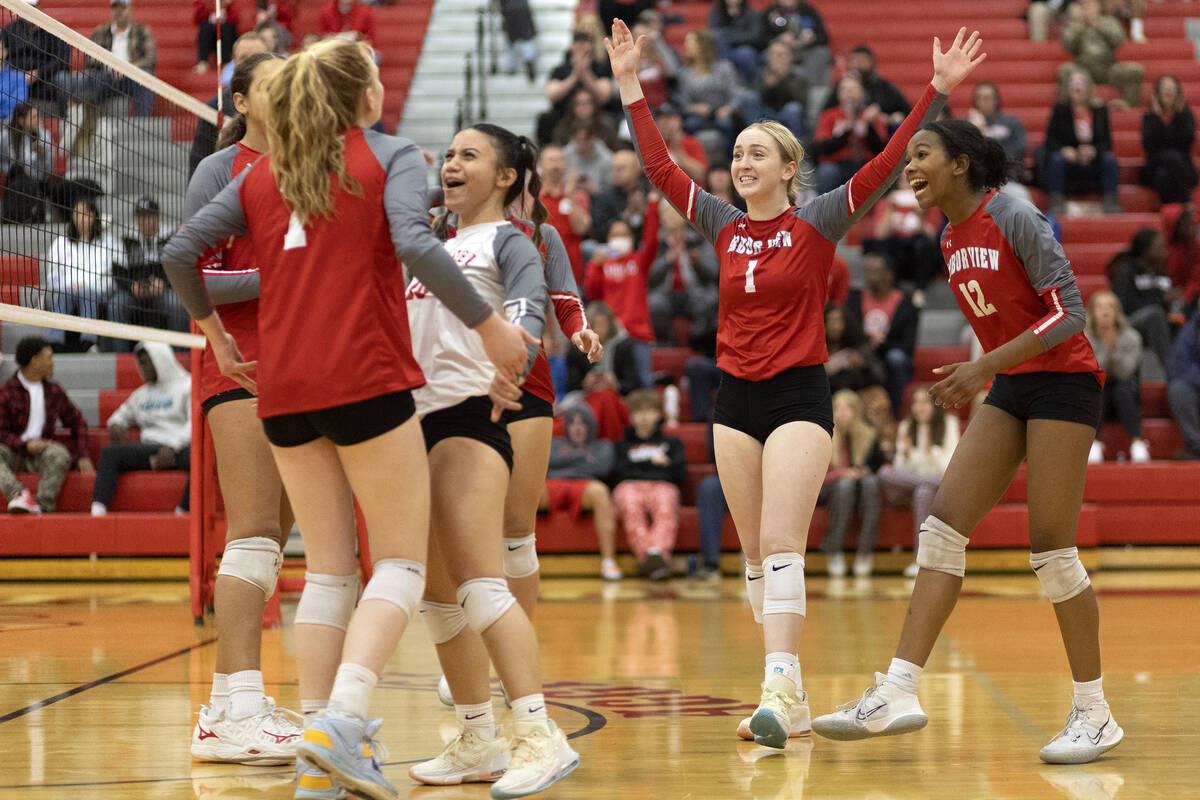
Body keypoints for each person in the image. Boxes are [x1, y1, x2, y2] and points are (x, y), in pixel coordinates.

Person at [162, 39, 533, 800]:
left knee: (326, 571)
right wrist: (490, 325)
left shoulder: (261, 171)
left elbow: (177, 253)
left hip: (282, 390)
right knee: (396, 563)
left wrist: (217, 335)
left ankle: (315, 750)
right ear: (363, 96)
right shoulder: (386, 155)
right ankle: (344, 721)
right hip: (362, 375)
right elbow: (412, 242)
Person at [608, 17, 983, 748]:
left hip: (798, 399)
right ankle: (794, 696)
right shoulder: (720, 223)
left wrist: (934, 95)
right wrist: (631, 88)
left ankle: (778, 687)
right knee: (755, 563)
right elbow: (660, 170)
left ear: (787, 167)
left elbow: (883, 164)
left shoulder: (816, 222)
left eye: (758, 153)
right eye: (738, 153)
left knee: (782, 542)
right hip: (733, 400)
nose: (742, 161)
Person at [812, 118, 1123, 766]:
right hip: (1012, 382)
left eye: (922, 154)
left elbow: (1068, 310)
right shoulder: (949, 236)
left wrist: (981, 366)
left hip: (1066, 381)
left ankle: (1095, 712)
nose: (911, 167)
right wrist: (987, 372)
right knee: (941, 527)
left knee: (1053, 551)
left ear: (960, 163)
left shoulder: (1011, 214)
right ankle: (898, 688)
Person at [406, 123, 580, 797]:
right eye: (448, 155)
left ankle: (538, 732)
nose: (452, 163)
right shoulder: (433, 245)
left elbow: (530, 305)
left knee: (482, 580)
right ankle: (477, 738)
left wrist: (521, 352)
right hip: (414, 423)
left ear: (506, 177)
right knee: (437, 595)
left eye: (469, 156)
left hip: (470, 418)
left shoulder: (511, 238)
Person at [180, 52, 308, 769]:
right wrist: (277, 278)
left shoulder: (308, 166)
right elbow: (191, 271)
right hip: (236, 359)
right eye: (272, 82)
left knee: (275, 540)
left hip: (298, 366)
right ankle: (241, 705)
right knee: (254, 533)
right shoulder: (219, 169)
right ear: (242, 100)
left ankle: (227, 709)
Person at [91, 342, 191, 517]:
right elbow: (119, 416)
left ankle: (183, 510)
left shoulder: (187, 386)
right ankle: (98, 509)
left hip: (179, 447)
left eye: (146, 362)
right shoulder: (141, 394)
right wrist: (116, 425)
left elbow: (194, 423)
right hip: (149, 448)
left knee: (201, 458)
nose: (142, 368)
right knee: (110, 453)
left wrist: (172, 446)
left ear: (160, 360)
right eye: (140, 363)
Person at [0, 337, 92, 514]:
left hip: (42, 453)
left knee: (60, 454)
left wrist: (83, 455)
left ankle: (42, 506)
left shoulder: (54, 391)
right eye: (49, 357)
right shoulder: (6, 391)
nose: (53, 363)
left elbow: (77, 421)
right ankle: (18, 495)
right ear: (34, 361)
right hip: (14, 451)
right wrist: (25, 445)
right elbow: (1, 433)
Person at [879, 387, 959, 577]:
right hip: (915, 487)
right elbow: (900, 467)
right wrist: (907, 454)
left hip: (942, 486)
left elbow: (949, 466)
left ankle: (919, 560)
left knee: (923, 491)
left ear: (935, 405)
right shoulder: (907, 425)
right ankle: (920, 559)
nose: (919, 407)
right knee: (886, 473)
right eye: (915, 402)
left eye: (924, 402)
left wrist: (931, 449)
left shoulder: (949, 423)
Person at [584, 195, 660, 390]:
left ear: (631, 238)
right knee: (615, 386)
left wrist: (652, 205)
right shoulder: (602, 264)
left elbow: (651, 240)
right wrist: (594, 266)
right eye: (615, 235)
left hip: (638, 335)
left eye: (624, 234)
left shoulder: (638, 261)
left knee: (644, 383)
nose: (620, 239)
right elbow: (592, 294)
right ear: (608, 239)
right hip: (611, 337)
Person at [611, 389, 687, 581]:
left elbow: (679, 472)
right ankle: (653, 558)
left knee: (665, 503)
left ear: (658, 414)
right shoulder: (621, 445)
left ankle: (654, 554)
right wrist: (656, 463)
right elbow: (618, 472)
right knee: (629, 503)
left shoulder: (672, 443)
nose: (644, 417)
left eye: (649, 411)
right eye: (638, 412)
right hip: (629, 486)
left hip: (663, 485)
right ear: (631, 416)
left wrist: (639, 464)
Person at [542, 403, 620, 579]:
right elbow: (544, 462)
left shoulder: (603, 446)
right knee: (523, 491)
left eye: (583, 423)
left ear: (591, 426)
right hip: (552, 484)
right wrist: (582, 459)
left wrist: (563, 462)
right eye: (573, 423)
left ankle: (609, 562)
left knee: (601, 492)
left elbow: (602, 467)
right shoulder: (554, 443)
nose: (577, 427)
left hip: (585, 486)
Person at [817, 389, 884, 577]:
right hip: (829, 489)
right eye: (838, 408)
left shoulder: (868, 434)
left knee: (871, 483)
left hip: (860, 489)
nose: (842, 413)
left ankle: (865, 551)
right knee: (844, 486)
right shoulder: (825, 434)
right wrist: (843, 473)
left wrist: (862, 471)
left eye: (848, 409)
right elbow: (818, 476)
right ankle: (834, 550)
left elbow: (876, 467)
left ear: (856, 411)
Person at [845, 252, 920, 416]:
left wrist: (881, 343)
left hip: (890, 355)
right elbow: (848, 333)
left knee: (896, 358)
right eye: (867, 270)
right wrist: (868, 341)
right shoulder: (854, 299)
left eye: (875, 270)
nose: (869, 275)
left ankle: (894, 414)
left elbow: (908, 345)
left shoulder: (906, 304)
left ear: (889, 274)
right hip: (864, 354)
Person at [43, 197, 120, 352]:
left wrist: (87, 286)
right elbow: (53, 275)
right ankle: (55, 342)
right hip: (67, 290)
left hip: (100, 292)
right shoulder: (60, 243)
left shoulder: (110, 242)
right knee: (64, 293)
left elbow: (115, 275)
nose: (81, 218)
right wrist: (71, 286)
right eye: (77, 213)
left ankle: (88, 342)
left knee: (87, 293)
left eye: (85, 213)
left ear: (94, 216)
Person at [188, 32, 269, 179]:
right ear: (234, 62)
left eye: (257, 57)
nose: (250, 63)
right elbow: (198, 163)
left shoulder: (283, 103)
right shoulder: (215, 106)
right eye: (243, 58)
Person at [111, 197, 190, 343]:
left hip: (164, 290)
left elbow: (179, 268)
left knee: (177, 304)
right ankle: (119, 355)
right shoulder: (126, 240)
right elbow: (117, 271)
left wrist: (164, 284)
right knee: (117, 304)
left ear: (158, 217)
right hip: (134, 293)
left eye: (148, 216)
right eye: (140, 216)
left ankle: (179, 354)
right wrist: (132, 286)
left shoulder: (170, 238)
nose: (144, 220)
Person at [1044, 67, 1120, 215]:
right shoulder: (1060, 110)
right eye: (1073, 84)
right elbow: (1050, 142)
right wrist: (1065, 150)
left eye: (1080, 84)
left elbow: (1107, 143)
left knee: (1109, 158)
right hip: (1070, 160)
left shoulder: (1100, 110)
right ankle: (1056, 202)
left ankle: (1111, 202)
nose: (1076, 88)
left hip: (1092, 160)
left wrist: (1094, 150)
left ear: (1089, 88)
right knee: (1056, 158)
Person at [1084, 290, 1149, 462]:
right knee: (1099, 388)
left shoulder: (1131, 337)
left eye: (1110, 307)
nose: (1105, 312)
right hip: (1096, 396)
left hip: (1125, 397)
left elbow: (1125, 371)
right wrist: (1106, 347)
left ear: (1117, 312)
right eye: (1100, 307)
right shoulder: (1083, 337)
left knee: (1122, 389)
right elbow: (1091, 370)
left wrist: (1113, 348)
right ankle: (1094, 443)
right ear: (1091, 311)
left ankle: (1137, 442)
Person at [862, 175, 945, 302]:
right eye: (905, 181)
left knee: (923, 245)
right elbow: (880, 235)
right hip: (896, 254)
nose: (908, 185)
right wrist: (890, 211)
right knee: (884, 246)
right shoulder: (887, 203)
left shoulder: (930, 203)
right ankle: (894, 291)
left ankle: (919, 291)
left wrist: (921, 218)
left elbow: (931, 237)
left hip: (917, 255)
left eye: (913, 182)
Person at [648, 200, 720, 345]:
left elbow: (713, 273)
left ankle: (699, 341)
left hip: (694, 290)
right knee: (653, 303)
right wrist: (667, 260)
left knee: (712, 296)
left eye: (676, 212)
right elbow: (647, 275)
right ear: (661, 216)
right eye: (668, 213)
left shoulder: (700, 239)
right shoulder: (653, 242)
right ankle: (665, 342)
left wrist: (698, 264)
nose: (673, 217)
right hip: (665, 293)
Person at [1106, 228, 1175, 371]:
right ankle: (1172, 371)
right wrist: (1161, 299)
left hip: (1155, 320)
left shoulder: (1160, 271)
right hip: (1126, 321)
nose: (1165, 252)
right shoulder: (1126, 271)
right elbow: (1122, 307)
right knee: (1154, 314)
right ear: (1146, 250)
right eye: (1159, 247)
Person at [75, 0, 157, 117]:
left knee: (146, 78)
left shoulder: (142, 31)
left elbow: (150, 59)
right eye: (115, 8)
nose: (118, 12)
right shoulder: (101, 31)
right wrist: (102, 62)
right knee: (90, 77)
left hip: (133, 77)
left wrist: (127, 69)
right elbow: (89, 58)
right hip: (107, 77)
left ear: (130, 9)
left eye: (122, 8)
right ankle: (91, 122)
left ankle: (141, 123)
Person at [1057, 0, 1142, 109]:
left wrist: (1098, 26)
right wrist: (1081, 28)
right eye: (1085, 6)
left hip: (1108, 68)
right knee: (1065, 70)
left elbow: (1118, 41)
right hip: (1083, 70)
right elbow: (1067, 46)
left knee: (1135, 70)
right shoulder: (1075, 26)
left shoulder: (1109, 22)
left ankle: (1127, 104)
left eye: (1092, 6)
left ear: (1098, 7)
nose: (1089, 9)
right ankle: (1067, 109)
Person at [811, 74, 886, 195]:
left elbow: (881, 150)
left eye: (853, 90)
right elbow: (820, 148)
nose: (848, 94)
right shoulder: (829, 115)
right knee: (827, 172)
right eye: (844, 89)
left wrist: (870, 126)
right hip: (836, 164)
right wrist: (846, 132)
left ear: (862, 93)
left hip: (864, 165)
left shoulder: (871, 116)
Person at [537, 30, 614, 146]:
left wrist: (586, 74)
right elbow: (551, 95)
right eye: (578, 45)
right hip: (564, 115)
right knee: (545, 119)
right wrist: (575, 74)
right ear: (572, 47)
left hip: (595, 115)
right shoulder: (560, 70)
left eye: (585, 45)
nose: (581, 50)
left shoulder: (600, 68)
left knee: (609, 120)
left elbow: (604, 96)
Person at [677, 29, 744, 149]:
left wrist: (728, 109)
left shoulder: (724, 67)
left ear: (702, 46)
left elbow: (736, 94)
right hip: (699, 116)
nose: (685, 45)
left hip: (723, 112)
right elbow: (683, 103)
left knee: (726, 124)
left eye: (689, 42)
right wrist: (695, 108)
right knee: (691, 124)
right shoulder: (684, 73)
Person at [1140, 74, 1197, 206]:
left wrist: (1179, 116)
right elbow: (1149, 146)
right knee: (1171, 158)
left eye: (1172, 88)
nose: (1168, 91)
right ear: (1157, 93)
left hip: (1181, 167)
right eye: (1165, 88)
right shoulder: (1149, 117)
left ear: (1178, 93)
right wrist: (1157, 117)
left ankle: (1171, 215)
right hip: (1154, 166)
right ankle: (1185, 206)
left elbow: (1186, 142)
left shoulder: (1186, 116)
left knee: (1163, 175)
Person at [538, 145, 591, 282]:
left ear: (566, 165)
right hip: (540, 270)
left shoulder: (578, 196)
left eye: (560, 160)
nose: (556, 165)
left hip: (570, 269)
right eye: (551, 160)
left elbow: (581, 229)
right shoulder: (532, 197)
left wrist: (570, 196)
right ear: (540, 166)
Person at [967, 81, 1029, 197]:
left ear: (996, 100)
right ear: (975, 101)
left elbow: (1019, 151)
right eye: (980, 98)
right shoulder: (967, 125)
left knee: (1021, 195)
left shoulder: (1011, 122)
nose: (984, 102)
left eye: (988, 97)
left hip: (1006, 180)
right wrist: (976, 131)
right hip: (976, 183)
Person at [0, 102, 53, 224]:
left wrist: (44, 157)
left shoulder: (46, 137)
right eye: (33, 117)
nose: (38, 120)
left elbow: (48, 171)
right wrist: (32, 153)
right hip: (15, 180)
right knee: (19, 176)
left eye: (38, 116)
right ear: (22, 120)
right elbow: (14, 164)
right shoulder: (6, 136)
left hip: (38, 182)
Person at [745, 40, 809, 141]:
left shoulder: (798, 75)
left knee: (793, 108)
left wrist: (782, 80)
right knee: (750, 97)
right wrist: (767, 86)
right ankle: (753, 140)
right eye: (773, 55)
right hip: (765, 113)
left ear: (790, 57)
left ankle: (794, 149)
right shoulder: (762, 73)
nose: (777, 59)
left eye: (781, 55)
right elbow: (753, 98)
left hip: (786, 113)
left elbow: (801, 101)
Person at [591, 148, 648, 244]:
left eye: (621, 168)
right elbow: (600, 232)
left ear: (635, 170)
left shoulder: (648, 191)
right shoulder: (604, 196)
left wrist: (646, 212)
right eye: (614, 168)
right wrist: (627, 215)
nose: (616, 172)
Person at [824, 303, 884, 394]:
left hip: (855, 396)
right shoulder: (818, 352)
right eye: (830, 321)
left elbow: (880, 377)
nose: (835, 326)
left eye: (838, 321)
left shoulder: (859, 348)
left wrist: (862, 365)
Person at [1168, 308, 1200, 459]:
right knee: (1178, 390)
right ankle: (1197, 447)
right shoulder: (1191, 330)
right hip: (1194, 383)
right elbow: (1179, 366)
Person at [709, 0, 761, 83]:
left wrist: (729, 36)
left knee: (745, 54)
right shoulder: (717, 11)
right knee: (718, 35)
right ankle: (725, 79)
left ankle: (751, 83)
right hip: (721, 50)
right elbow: (712, 34)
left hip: (741, 48)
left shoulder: (750, 12)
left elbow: (754, 36)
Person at [563, 119, 613, 193]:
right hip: (570, 196)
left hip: (598, 200)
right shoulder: (564, 154)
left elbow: (612, 188)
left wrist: (596, 190)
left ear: (594, 137)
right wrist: (570, 182)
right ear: (572, 138)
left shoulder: (607, 158)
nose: (581, 143)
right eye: (577, 139)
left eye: (585, 139)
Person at [193, 0, 240, 74]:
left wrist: (228, 6)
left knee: (224, 28)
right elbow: (197, 19)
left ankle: (226, 62)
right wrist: (206, 6)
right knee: (205, 28)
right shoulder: (205, 3)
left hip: (227, 36)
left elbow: (235, 19)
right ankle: (203, 61)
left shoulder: (231, 4)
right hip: (211, 37)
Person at [499, 0, 538, 82]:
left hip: (509, 8)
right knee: (527, 36)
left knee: (511, 39)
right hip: (522, 7)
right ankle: (528, 58)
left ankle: (511, 65)